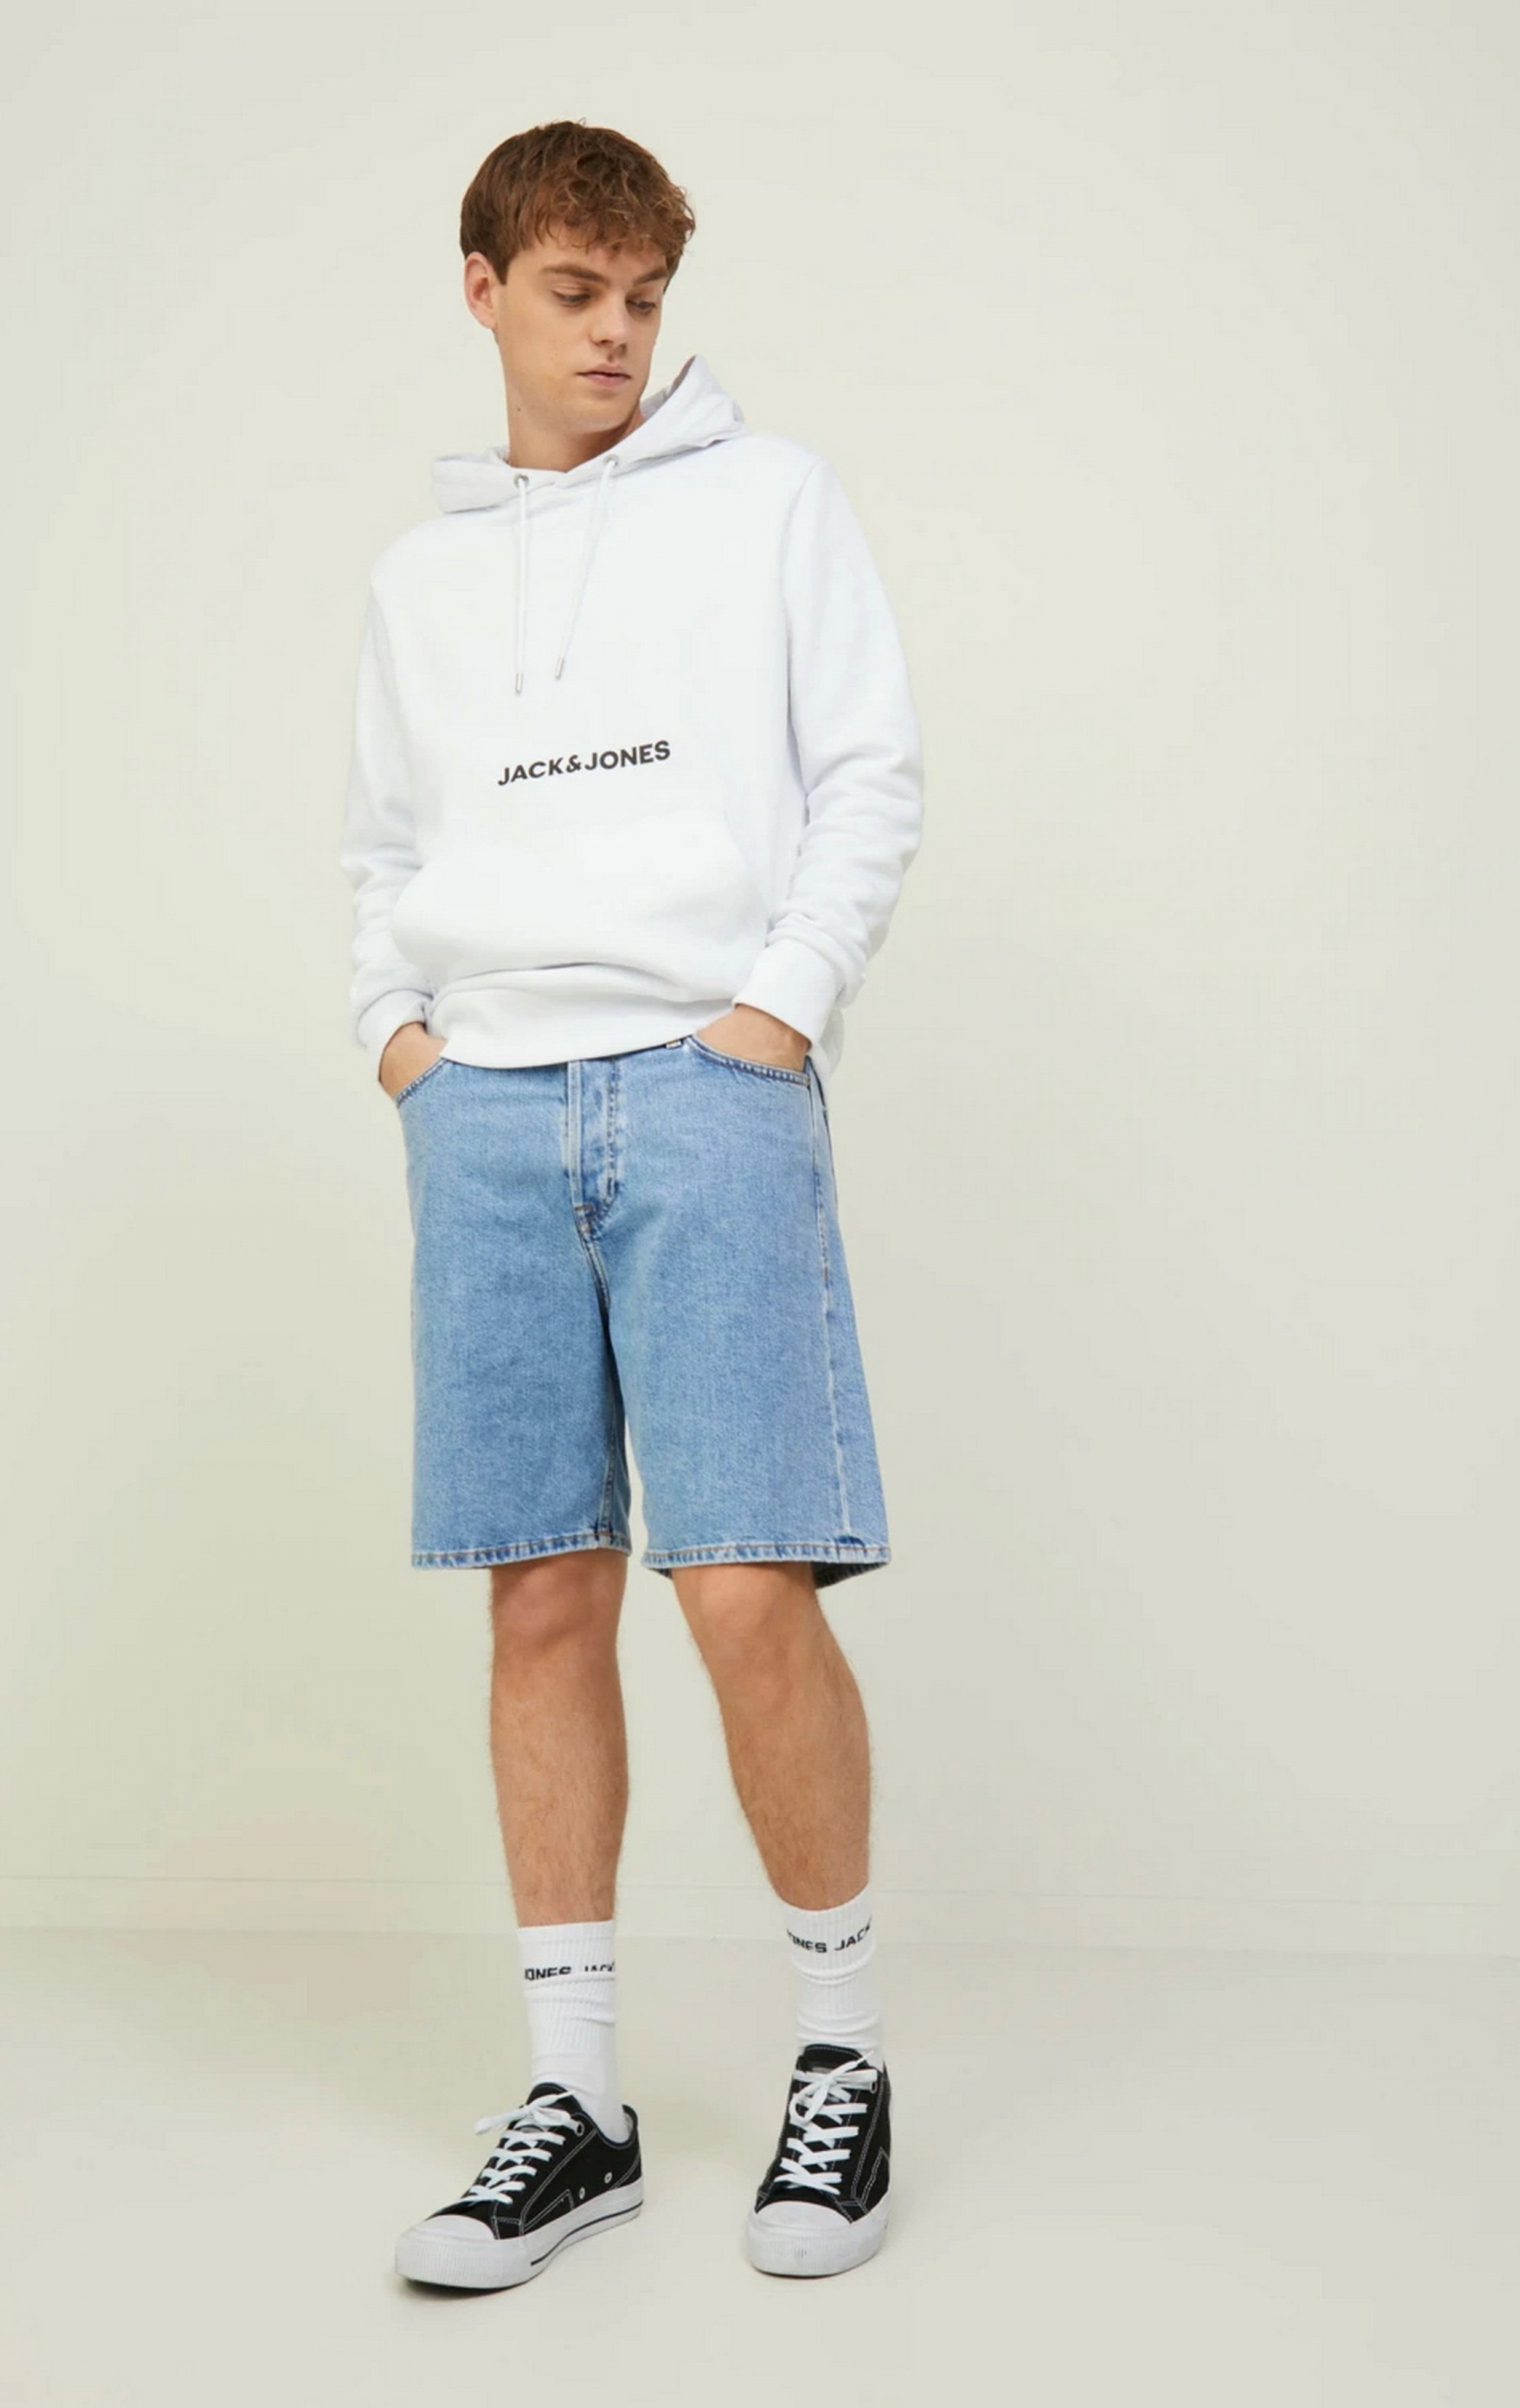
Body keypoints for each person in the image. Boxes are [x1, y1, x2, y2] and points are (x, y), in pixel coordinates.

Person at [340, 119, 923, 2287]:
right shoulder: (420, 582)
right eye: (575, 294)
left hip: (703, 1083)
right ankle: (575, 2103)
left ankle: (841, 2057)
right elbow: (379, 847)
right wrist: (396, 1037)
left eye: (644, 299)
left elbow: (866, 770)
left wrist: (776, 1010)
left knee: (745, 1585)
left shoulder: (769, 502)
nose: (614, 336)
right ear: (481, 287)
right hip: (481, 1106)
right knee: (536, 1596)